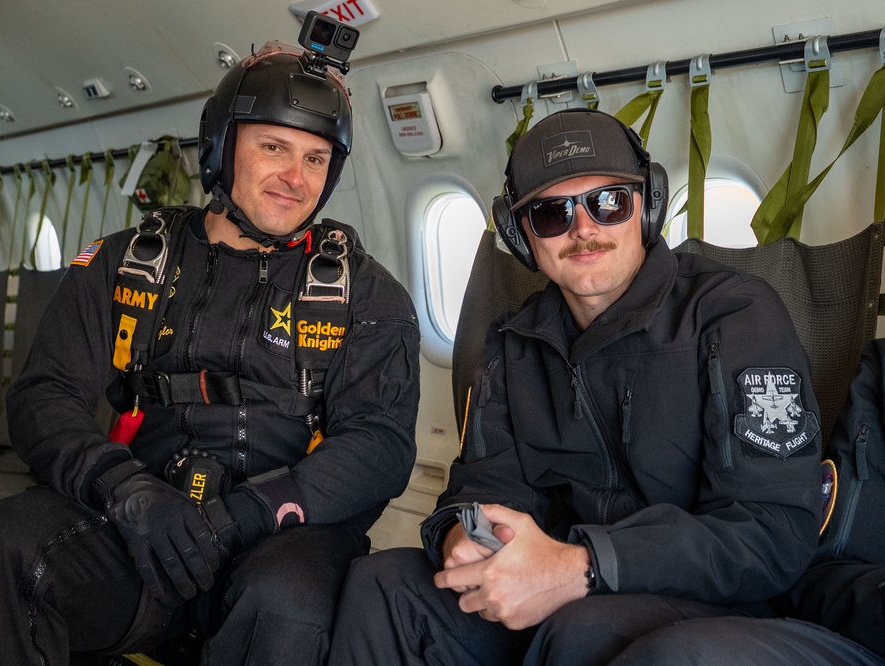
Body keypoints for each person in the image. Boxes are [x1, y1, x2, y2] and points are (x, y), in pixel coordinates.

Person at [327, 108, 881, 665]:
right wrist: (465, 536)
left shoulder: (735, 317)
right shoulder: (513, 340)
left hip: (711, 598)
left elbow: (772, 532)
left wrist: (583, 566)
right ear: (521, 235)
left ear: (647, 206)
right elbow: (482, 486)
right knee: (383, 584)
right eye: (550, 213)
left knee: (582, 630)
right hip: (556, 574)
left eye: (608, 201)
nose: (583, 229)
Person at [0, 39, 420, 666]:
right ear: (220, 144)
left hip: (285, 535)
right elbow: (44, 397)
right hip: (139, 523)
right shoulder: (123, 262)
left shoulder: (368, 293)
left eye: (316, 159)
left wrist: (243, 515)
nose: (295, 178)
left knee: (287, 604)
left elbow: (379, 445)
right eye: (273, 147)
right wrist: (126, 491)